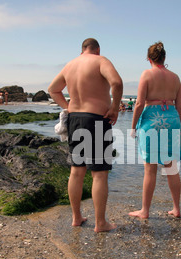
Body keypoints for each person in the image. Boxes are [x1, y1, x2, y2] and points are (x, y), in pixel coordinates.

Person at [48, 38, 123, 233]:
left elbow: (53, 90)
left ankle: (76, 217)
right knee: (99, 174)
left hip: (75, 119)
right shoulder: (100, 61)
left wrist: (68, 107)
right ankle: (100, 223)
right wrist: (114, 108)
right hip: (97, 119)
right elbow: (116, 82)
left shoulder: (70, 65)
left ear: (82, 50)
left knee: (76, 170)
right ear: (97, 49)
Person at [129, 41, 181, 220]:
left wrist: (133, 126)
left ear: (148, 58)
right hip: (172, 119)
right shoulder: (175, 78)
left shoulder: (147, 74)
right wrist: (176, 124)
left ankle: (145, 210)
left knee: (150, 169)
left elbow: (138, 103)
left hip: (152, 119)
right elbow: (180, 107)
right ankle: (176, 208)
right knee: (171, 167)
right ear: (164, 57)